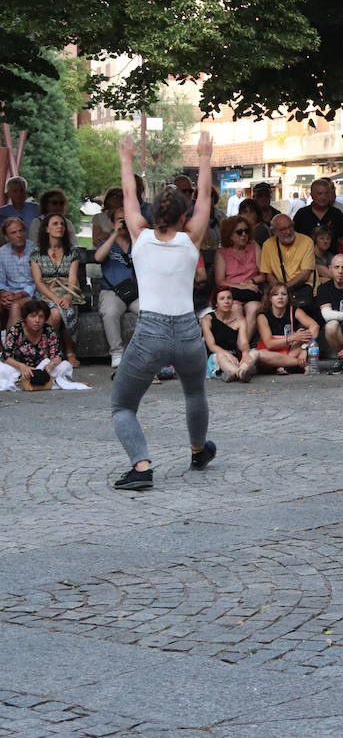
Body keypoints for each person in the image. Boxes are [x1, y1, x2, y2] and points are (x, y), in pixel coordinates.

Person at [108, 132, 219, 491]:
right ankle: (199, 450)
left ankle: (141, 467)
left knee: (123, 405)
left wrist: (125, 158)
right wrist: (204, 157)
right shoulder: (192, 239)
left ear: (152, 213)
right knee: (194, 392)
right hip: (188, 330)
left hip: (151, 332)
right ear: (183, 214)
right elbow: (204, 196)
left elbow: (128, 195)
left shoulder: (139, 236)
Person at [29, 212, 82, 366]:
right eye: (55, 224)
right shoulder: (36, 252)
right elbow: (38, 282)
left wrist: (67, 297)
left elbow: (72, 279)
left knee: (64, 309)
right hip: (45, 293)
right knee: (55, 312)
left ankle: (61, 352)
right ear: (46, 229)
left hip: (68, 292)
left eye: (62, 224)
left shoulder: (72, 251)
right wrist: (55, 298)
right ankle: (56, 352)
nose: (60, 226)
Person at [0, 299, 84, 392]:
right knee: (2, 368)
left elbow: (57, 355)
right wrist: (22, 366)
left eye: (41, 317)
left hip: (41, 369)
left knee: (66, 365)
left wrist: (51, 364)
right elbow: (6, 357)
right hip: (19, 369)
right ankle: (28, 382)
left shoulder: (48, 330)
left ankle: (28, 383)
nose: (37, 320)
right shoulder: (16, 330)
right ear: (25, 317)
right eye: (32, 316)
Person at [94, 206, 140, 369]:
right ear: (113, 223)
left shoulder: (138, 242)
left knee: (149, 312)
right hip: (112, 291)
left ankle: (145, 352)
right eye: (120, 219)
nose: (124, 222)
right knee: (110, 312)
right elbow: (98, 257)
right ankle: (117, 352)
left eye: (127, 219)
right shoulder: (107, 242)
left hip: (135, 292)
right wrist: (114, 234)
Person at [258, 213, 316, 310]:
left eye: (290, 227)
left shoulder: (307, 241)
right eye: (283, 229)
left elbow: (305, 274)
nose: (288, 231)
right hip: (280, 293)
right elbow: (268, 274)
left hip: (304, 290)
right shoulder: (268, 245)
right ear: (274, 232)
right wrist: (280, 291)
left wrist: (283, 289)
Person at [201, 287, 259, 383]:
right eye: (222, 298)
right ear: (216, 303)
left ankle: (237, 372)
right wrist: (227, 354)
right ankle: (240, 373)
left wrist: (245, 353)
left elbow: (244, 342)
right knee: (220, 356)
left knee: (255, 353)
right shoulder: (207, 319)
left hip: (235, 355)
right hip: (217, 356)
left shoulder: (240, 319)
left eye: (229, 298)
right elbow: (211, 346)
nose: (226, 301)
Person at [214, 214, 264, 325]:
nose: (244, 235)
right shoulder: (221, 253)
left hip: (252, 291)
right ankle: (241, 342)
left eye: (246, 231)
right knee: (235, 309)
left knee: (253, 308)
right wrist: (241, 286)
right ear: (230, 235)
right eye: (239, 232)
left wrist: (250, 282)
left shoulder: (254, 246)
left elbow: (263, 274)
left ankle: (243, 342)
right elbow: (220, 282)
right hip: (232, 292)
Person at [294, 178, 343, 266]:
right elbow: (295, 238)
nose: (323, 197)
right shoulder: (302, 214)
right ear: (311, 195)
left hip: (332, 262)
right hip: (306, 261)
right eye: (319, 194)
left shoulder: (337, 214)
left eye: (326, 193)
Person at [0, 217, 34, 327]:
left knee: (15, 306)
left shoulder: (35, 250)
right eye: (13, 233)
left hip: (31, 293)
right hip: (10, 292)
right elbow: (1, 280)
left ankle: (12, 343)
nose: (18, 235)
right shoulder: (2, 252)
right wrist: (4, 294)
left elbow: (38, 281)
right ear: (6, 237)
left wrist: (20, 295)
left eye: (20, 231)